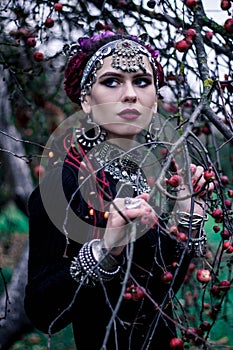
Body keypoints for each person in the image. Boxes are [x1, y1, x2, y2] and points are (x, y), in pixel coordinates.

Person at [24, 31, 212, 349]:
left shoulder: (148, 178)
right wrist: (105, 251)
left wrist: (186, 222)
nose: (130, 95)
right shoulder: (64, 183)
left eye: (142, 81)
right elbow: (42, 313)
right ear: (86, 98)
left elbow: (157, 292)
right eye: (112, 81)